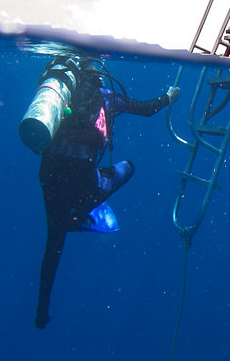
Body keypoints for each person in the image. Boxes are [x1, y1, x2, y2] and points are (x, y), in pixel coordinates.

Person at [28, 55, 178, 329]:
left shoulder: (61, 95)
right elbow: (145, 109)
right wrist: (168, 97)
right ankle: (77, 215)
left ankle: (41, 310)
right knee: (127, 167)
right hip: (83, 177)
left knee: (54, 242)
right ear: (97, 72)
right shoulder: (106, 95)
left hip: (50, 174)